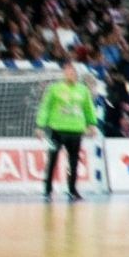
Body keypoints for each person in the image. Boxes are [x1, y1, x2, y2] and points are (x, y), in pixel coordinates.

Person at [38, 59, 96, 201]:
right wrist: (40, 125)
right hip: (57, 129)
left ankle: (72, 189)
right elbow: (46, 106)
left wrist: (92, 124)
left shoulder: (83, 90)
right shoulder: (55, 88)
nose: (71, 74)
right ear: (64, 73)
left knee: (74, 161)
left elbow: (88, 108)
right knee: (53, 159)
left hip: (76, 130)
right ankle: (47, 189)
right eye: (68, 71)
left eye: (73, 71)